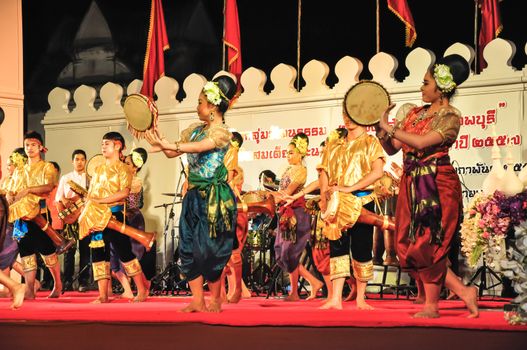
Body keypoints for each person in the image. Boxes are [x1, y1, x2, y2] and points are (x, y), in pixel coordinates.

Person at [376, 54, 478, 318]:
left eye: (426, 82)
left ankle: (432, 305)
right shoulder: (412, 114)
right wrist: (381, 131)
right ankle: (465, 292)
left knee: (428, 241)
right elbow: (392, 148)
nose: (421, 87)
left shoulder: (450, 116)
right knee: (407, 244)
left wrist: (390, 127)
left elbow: (422, 144)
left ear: (441, 87)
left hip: (436, 182)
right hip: (411, 182)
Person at [145, 75, 238, 313]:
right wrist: (153, 135)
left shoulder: (221, 132)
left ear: (213, 107)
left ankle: (215, 299)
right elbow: (169, 152)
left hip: (214, 199)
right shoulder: (195, 130)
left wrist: (169, 145)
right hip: (193, 197)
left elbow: (200, 148)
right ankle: (198, 300)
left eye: (200, 102)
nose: (197, 107)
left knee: (210, 250)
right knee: (187, 248)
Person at [318, 103, 386, 311]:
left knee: (362, 248)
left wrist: (350, 188)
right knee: (337, 248)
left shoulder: (370, 142)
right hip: (337, 203)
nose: (347, 119)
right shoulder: (334, 144)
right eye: (344, 114)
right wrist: (324, 197)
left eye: (352, 115)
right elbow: (324, 172)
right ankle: (336, 298)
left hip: (362, 201)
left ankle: (361, 299)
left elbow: (377, 172)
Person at [78, 132, 148, 303]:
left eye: (107, 144)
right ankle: (102, 295)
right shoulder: (99, 169)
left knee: (124, 252)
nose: (103, 147)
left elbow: (124, 193)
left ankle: (142, 290)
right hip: (96, 216)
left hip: (114, 215)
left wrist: (99, 200)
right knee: (98, 254)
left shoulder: (124, 168)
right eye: (102, 143)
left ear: (118, 146)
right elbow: (92, 194)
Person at [7, 131, 63, 299]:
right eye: (27, 145)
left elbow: (49, 186)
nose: (29, 148)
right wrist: (10, 194)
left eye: (33, 145)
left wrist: (29, 190)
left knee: (47, 252)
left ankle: (58, 283)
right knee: (26, 252)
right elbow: (13, 189)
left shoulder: (47, 167)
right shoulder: (19, 170)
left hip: (40, 216)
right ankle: (30, 289)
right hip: (21, 216)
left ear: (40, 147)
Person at [272, 133, 323, 301]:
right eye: (287, 152)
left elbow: (287, 194)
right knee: (282, 253)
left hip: (296, 215)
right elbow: (281, 193)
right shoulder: (288, 169)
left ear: (301, 153)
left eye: (291, 152)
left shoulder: (301, 170)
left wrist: (268, 197)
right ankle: (311, 283)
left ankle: (295, 292)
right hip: (285, 213)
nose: (288, 155)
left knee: (289, 253)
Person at [110, 147, 156, 298]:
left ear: (135, 168)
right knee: (115, 258)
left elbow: (129, 202)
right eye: (124, 162)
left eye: (128, 163)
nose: (124, 165)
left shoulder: (135, 181)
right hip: (118, 219)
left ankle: (142, 286)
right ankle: (129, 290)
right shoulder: (121, 179)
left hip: (132, 219)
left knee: (129, 256)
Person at [55, 149, 91, 292]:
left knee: (85, 250)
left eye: (82, 159)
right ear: (72, 161)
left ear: (86, 161)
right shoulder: (65, 178)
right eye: (77, 159)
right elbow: (58, 198)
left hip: (85, 218)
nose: (80, 162)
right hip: (70, 218)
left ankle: (83, 282)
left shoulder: (90, 178)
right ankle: (68, 282)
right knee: (69, 251)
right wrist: (65, 211)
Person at [222, 131, 250, 303]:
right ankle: (230, 290)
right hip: (219, 204)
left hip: (230, 207)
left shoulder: (234, 163)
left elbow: (228, 184)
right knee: (221, 250)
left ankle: (237, 289)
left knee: (231, 248)